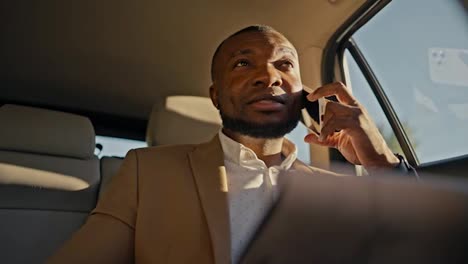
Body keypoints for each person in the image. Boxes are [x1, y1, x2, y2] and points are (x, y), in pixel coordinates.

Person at [48, 25, 401, 264]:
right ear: (215, 96)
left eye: (284, 64)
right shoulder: (146, 171)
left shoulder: (341, 192)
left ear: (305, 94)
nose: (269, 75)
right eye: (243, 63)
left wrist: (382, 163)